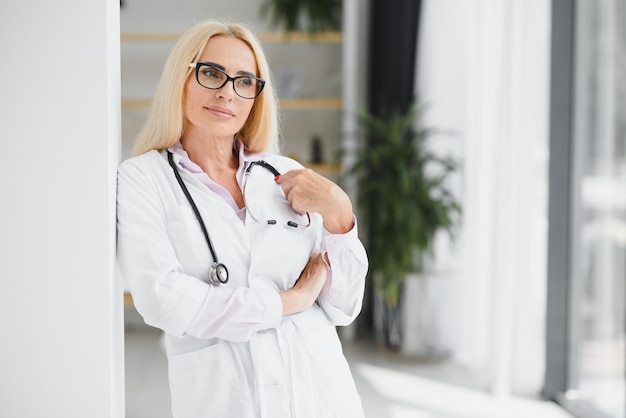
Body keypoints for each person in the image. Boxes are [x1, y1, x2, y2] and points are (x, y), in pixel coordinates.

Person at [116, 20, 368, 418]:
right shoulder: (143, 178)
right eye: (211, 73)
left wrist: (339, 213)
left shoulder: (284, 174)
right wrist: (291, 300)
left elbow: (343, 307)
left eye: (244, 81)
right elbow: (163, 299)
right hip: (227, 400)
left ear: (255, 96)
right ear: (180, 79)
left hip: (320, 395)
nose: (226, 93)